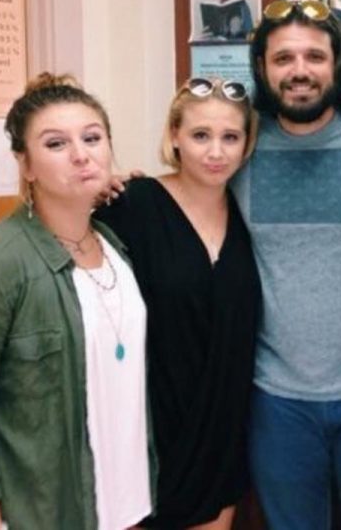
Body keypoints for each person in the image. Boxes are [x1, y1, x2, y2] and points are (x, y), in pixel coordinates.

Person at [0, 74, 154, 530]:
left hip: (115, 506)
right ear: (25, 165)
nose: (80, 154)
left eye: (92, 138)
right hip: (30, 512)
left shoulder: (114, 247)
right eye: (55, 144)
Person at [230, 0, 341, 529]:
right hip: (277, 398)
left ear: (339, 63)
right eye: (283, 58)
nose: (300, 71)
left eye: (315, 56)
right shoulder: (241, 141)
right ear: (262, 68)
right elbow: (176, 191)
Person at [95, 76, 261, 530]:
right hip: (149, 433)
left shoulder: (250, 213)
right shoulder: (133, 203)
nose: (216, 152)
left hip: (222, 429)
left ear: (247, 144)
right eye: (200, 135)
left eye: (231, 137)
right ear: (174, 136)